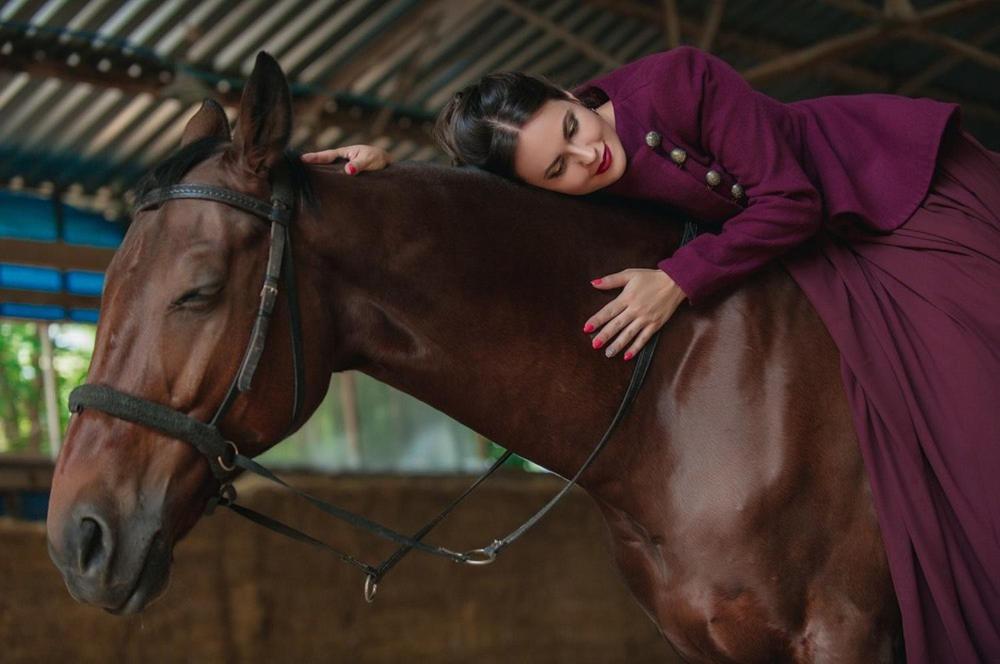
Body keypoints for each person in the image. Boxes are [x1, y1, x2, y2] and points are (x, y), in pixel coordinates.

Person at [301, 46, 1000, 662]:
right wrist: (386, 173)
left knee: (971, 364)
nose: (586, 157)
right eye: (558, 169)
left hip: (880, 195)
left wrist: (677, 280)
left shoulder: (682, 82)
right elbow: (481, 215)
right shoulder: (559, 184)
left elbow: (790, 199)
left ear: (570, 95)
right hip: (808, 254)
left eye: (572, 128)